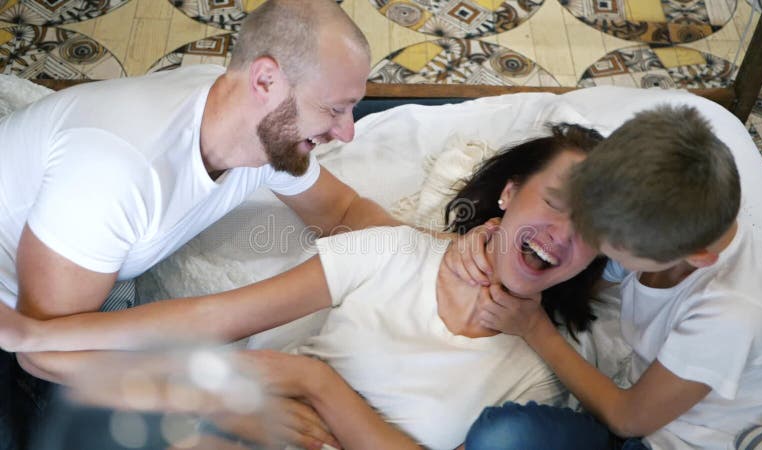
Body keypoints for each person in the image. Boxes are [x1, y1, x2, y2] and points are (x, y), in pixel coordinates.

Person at [1, 125, 608, 450]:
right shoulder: (396, 252)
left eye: (592, 229)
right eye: (555, 204)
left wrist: (315, 384)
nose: (561, 235)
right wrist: (43, 332)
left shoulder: (543, 373)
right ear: (509, 193)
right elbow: (214, 317)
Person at [0, 1, 405, 448]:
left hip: (68, 307)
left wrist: (429, 255)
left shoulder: (259, 126)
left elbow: (343, 212)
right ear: (266, 80)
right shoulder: (116, 173)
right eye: (334, 109)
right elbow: (42, 352)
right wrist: (218, 404)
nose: (348, 132)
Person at [467, 105, 762, 449]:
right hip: (635, 401)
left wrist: (533, 326)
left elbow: (628, 419)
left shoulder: (731, 315)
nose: (582, 239)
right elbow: (590, 280)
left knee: (501, 438)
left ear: (697, 257)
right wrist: (492, 240)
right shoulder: (659, 217)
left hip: (673, 439)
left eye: (610, 245)